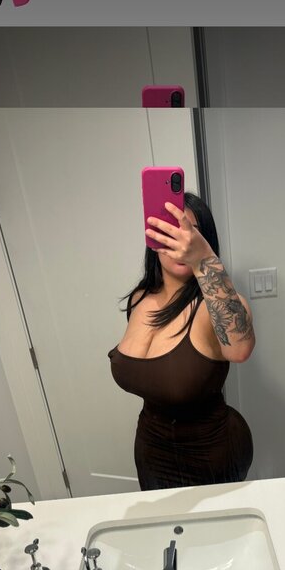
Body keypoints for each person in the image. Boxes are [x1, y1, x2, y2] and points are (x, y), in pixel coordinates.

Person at [109, 192, 255, 490]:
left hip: (211, 454)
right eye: (170, 231)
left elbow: (240, 349)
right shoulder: (140, 298)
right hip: (151, 450)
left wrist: (203, 259)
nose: (180, 242)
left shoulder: (217, 307)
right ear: (154, 239)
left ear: (205, 240)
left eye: (191, 232)